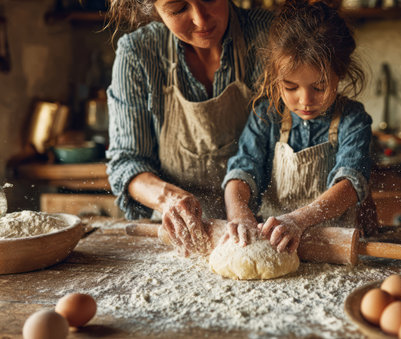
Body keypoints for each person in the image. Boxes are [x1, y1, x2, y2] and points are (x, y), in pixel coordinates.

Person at [105, 0, 273, 256]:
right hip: (180, 240)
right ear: (154, 9)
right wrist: (168, 199)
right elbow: (127, 163)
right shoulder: (138, 52)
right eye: (178, 9)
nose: (201, 20)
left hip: (268, 232)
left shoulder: (271, 36)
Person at [222, 0, 379, 254]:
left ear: (340, 73)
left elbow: (351, 184)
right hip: (273, 248)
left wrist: (298, 220)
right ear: (276, 78)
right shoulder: (267, 116)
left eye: (319, 87)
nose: (305, 100)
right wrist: (238, 212)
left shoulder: (352, 119)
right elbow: (241, 171)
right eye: (291, 87)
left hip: (333, 250)